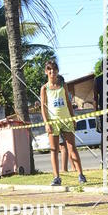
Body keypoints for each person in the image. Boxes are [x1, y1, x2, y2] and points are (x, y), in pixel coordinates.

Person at [40, 59, 87, 187]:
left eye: (54, 69)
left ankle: (81, 174)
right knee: (54, 149)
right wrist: (46, 122)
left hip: (66, 119)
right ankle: (56, 177)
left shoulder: (63, 85)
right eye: (49, 69)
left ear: (57, 71)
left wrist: (73, 118)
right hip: (53, 121)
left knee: (72, 147)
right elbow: (43, 107)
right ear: (46, 72)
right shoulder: (44, 88)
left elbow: (68, 102)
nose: (52, 72)